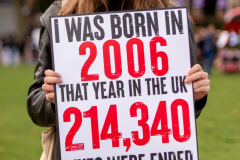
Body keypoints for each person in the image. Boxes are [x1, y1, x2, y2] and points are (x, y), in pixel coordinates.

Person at [27, 0, 210, 159]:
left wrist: (194, 96)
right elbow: (35, 105)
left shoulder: (169, 18)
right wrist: (52, 101)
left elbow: (178, 111)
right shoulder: (60, 15)